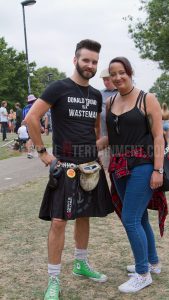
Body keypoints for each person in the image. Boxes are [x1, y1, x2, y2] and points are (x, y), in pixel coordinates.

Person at [24, 39, 114, 300]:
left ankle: (80, 263)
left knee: (84, 216)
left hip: (89, 166)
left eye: (95, 61)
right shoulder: (59, 88)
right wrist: (43, 152)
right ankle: (53, 279)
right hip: (64, 166)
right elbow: (31, 118)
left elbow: (95, 130)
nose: (90, 65)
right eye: (86, 60)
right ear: (75, 60)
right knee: (59, 221)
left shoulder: (96, 95)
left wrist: (95, 153)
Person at [98, 57, 165, 293]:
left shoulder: (147, 98)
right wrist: (89, 146)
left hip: (143, 165)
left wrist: (158, 169)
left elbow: (158, 136)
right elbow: (113, 138)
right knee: (140, 217)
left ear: (130, 72)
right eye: (113, 74)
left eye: (121, 73)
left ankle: (142, 273)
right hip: (118, 166)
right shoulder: (110, 102)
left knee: (130, 219)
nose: (117, 78)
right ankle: (152, 262)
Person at [99, 68, 117, 169]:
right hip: (104, 138)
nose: (106, 82)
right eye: (104, 80)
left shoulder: (122, 92)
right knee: (106, 167)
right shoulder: (99, 94)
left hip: (122, 139)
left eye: (108, 79)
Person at [23, 94, 37, 159]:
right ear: (34, 100)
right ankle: (30, 152)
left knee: (29, 138)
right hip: (33, 123)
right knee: (32, 138)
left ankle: (30, 152)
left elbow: (23, 117)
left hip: (27, 124)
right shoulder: (34, 107)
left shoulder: (25, 108)